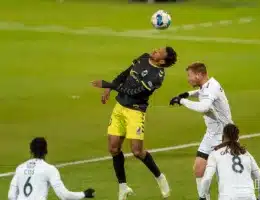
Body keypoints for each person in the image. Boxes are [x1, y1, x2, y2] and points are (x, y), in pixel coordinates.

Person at [91, 47, 177, 200]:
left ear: (162, 61)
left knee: (137, 151)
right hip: (119, 108)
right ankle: (123, 187)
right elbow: (125, 74)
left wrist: (106, 84)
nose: (155, 50)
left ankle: (160, 177)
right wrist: (110, 88)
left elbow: (134, 92)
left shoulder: (157, 77)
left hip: (135, 112)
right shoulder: (143, 57)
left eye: (159, 52)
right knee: (113, 148)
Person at [169, 62, 232, 200]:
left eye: (190, 75)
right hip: (211, 134)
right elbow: (201, 92)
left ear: (199, 75)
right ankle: (204, 198)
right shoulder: (208, 84)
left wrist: (182, 101)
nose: (188, 79)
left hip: (224, 136)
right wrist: (187, 94)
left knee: (225, 175)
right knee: (198, 169)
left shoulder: (211, 88)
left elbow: (204, 107)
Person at [8, 137, 95, 200]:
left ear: (30, 151)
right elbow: (64, 195)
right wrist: (84, 194)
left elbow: (11, 196)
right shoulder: (49, 169)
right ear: (46, 151)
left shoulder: (20, 168)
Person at [199, 124, 260, 200]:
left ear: (223, 136)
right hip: (249, 196)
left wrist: (202, 197)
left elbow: (207, 179)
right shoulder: (246, 154)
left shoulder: (215, 154)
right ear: (237, 138)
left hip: (227, 197)